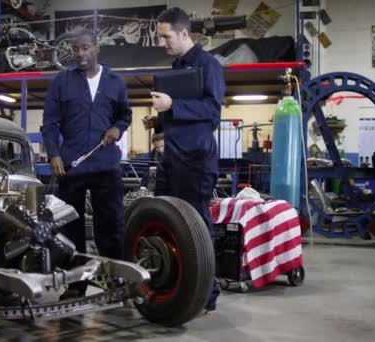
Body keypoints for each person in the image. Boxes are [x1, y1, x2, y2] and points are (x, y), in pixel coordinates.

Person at [143, 7, 225, 312]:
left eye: (166, 37)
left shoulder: (209, 66)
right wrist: (159, 123)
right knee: (169, 221)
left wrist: (173, 104)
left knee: (197, 226)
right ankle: (178, 283)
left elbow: (212, 113)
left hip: (196, 161)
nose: (162, 43)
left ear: (184, 33)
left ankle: (207, 292)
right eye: (159, 37)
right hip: (170, 159)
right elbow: (173, 114)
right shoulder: (173, 68)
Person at [42, 29, 132, 291]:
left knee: (111, 226)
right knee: (71, 228)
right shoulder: (62, 81)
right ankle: (75, 285)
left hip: (106, 165)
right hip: (72, 167)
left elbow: (124, 115)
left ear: (96, 48)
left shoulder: (115, 81)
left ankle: (116, 281)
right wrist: (54, 153)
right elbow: (49, 122)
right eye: (75, 49)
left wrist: (118, 128)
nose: (80, 54)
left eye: (85, 48)